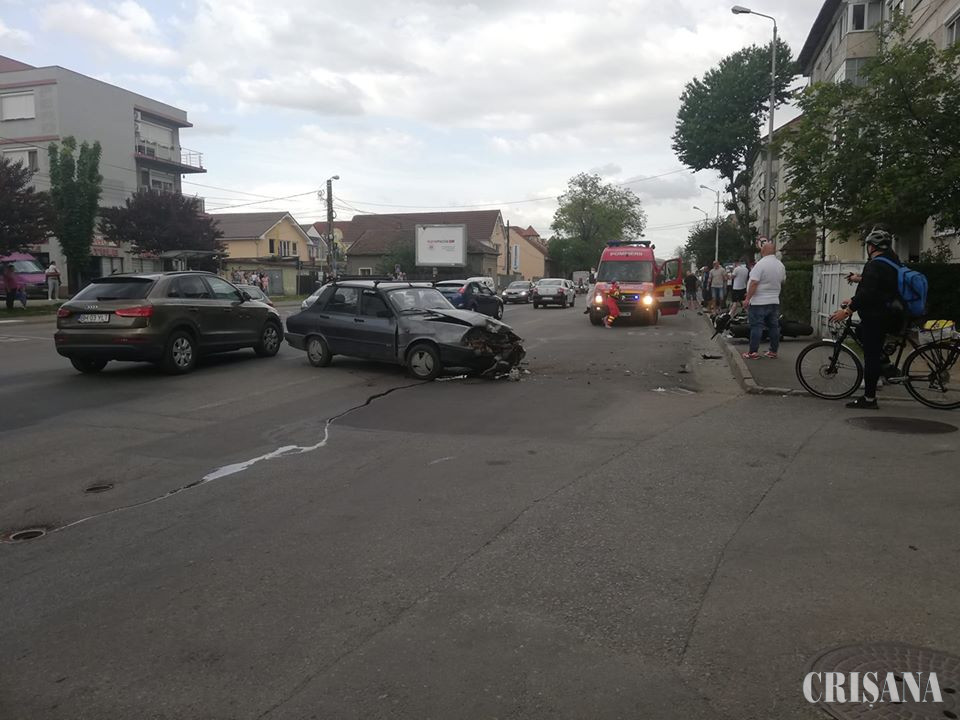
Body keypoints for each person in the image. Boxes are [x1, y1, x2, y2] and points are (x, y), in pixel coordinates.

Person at [829, 229, 904, 409]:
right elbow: (877, 290)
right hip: (889, 314)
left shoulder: (875, 265)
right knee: (861, 332)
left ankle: (869, 399)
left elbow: (868, 293)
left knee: (871, 357)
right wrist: (853, 300)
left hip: (876, 317)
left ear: (872, 247)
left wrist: (847, 311)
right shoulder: (892, 262)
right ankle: (886, 365)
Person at [742, 239, 786, 360]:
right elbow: (782, 281)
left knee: (757, 326)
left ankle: (753, 352)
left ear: (763, 251)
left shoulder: (760, 265)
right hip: (774, 301)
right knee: (774, 327)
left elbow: (754, 283)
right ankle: (773, 351)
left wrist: (747, 299)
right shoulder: (780, 265)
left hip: (759, 301)